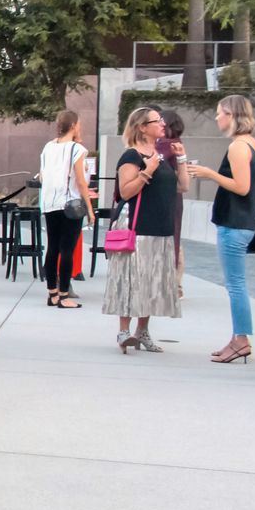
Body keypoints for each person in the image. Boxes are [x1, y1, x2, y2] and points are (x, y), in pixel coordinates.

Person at [104, 107, 187, 352]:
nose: (162, 124)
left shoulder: (161, 155)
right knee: (131, 280)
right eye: (156, 121)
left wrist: (181, 159)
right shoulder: (131, 156)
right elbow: (125, 191)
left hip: (161, 227)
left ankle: (142, 332)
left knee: (152, 282)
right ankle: (123, 332)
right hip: (137, 227)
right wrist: (147, 170)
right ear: (142, 127)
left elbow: (182, 186)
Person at [188, 95, 255, 364]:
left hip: (234, 222)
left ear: (231, 115)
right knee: (236, 284)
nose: (217, 117)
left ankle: (241, 339)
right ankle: (237, 338)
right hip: (242, 221)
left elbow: (242, 187)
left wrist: (209, 173)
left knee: (235, 284)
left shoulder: (239, 147)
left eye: (220, 113)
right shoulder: (250, 143)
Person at [37, 111, 95, 308]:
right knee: (67, 249)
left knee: (52, 247)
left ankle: (52, 293)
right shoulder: (77, 149)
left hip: (49, 203)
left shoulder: (48, 147)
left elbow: (43, 176)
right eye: (78, 124)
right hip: (70, 203)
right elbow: (80, 181)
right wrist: (89, 208)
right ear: (73, 126)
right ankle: (64, 295)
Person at [154, 108, 188, 296]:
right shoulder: (174, 143)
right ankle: (175, 284)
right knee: (175, 239)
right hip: (173, 197)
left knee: (170, 238)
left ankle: (172, 284)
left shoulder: (166, 145)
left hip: (167, 198)